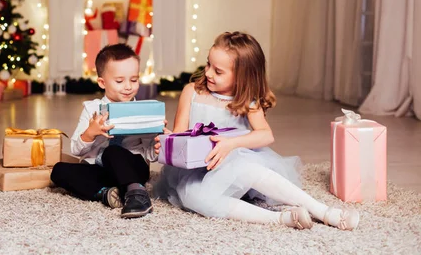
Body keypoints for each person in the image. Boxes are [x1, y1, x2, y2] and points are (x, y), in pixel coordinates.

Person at [154, 31, 359, 230]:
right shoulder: (192, 92)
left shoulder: (247, 99)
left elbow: (265, 134)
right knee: (195, 198)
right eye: (208, 64)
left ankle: (323, 211)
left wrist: (231, 144)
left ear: (241, 77)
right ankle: (280, 219)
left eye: (218, 71)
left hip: (235, 162)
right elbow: (180, 133)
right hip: (196, 171)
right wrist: (166, 138)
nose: (207, 72)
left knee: (250, 169)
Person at [51, 43, 165, 218]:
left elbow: (150, 155)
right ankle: (106, 193)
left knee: (112, 152)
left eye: (134, 80)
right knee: (59, 170)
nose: (128, 86)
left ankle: (137, 194)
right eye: (119, 81)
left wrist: (158, 144)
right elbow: (76, 149)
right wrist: (90, 133)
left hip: (133, 169)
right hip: (100, 171)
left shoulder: (143, 111)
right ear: (102, 82)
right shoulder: (92, 109)